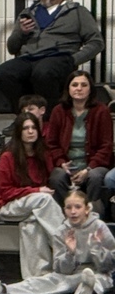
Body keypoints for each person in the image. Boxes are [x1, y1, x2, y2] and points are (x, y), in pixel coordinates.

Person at [0, 0, 104, 118]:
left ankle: (50, 118)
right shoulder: (28, 13)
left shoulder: (77, 12)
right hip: (29, 58)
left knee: (43, 72)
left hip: (59, 56)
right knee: (4, 73)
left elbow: (96, 42)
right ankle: (24, 117)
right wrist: (22, 32)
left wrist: (73, 60)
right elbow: (12, 48)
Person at [0, 189, 115, 294]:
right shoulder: (61, 231)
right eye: (69, 208)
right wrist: (70, 253)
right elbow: (61, 269)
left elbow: (108, 267)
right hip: (71, 274)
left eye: (78, 207)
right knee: (50, 280)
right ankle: (2, 289)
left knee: (98, 280)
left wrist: (97, 248)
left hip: (98, 272)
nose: (73, 212)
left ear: (87, 209)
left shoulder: (99, 227)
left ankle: (88, 289)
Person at [0, 109, 64, 279]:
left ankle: (38, 275)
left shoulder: (42, 153)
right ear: (19, 131)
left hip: (32, 207)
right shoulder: (7, 157)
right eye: (26, 128)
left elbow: (47, 181)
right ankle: (65, 243)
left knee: (32, 223)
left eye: (34, 127)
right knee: (44, 198)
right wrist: (36, 190)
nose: (31, 131)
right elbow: (5, 192)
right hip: (9, 206)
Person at [45, 69, 112, 215]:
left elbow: (106, 146)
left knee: (95, 177)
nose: (79, 88)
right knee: (56, 177)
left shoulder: (101, 111)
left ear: (90, 89)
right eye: (74, 85)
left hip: (93, 165)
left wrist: (88, 169)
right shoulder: (58, 111)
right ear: (68, 88)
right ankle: (70, 212)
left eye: (84, 85)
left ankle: (91, 216)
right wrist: (62, 162)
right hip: (68, 165)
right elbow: (52, 143)